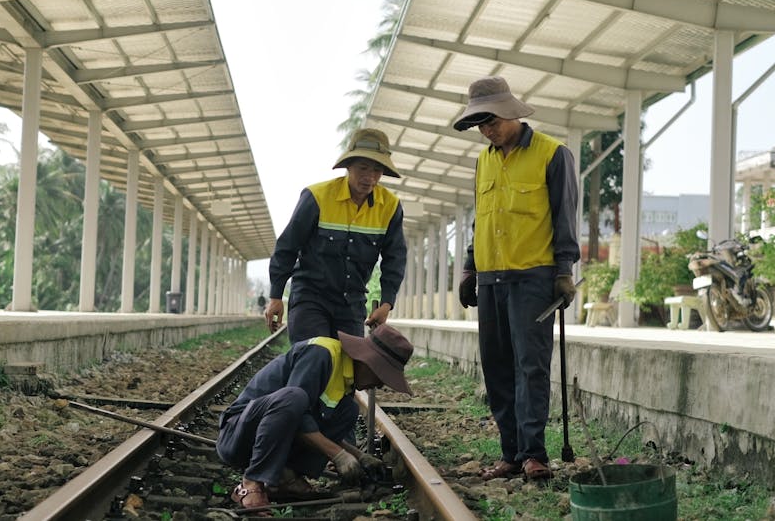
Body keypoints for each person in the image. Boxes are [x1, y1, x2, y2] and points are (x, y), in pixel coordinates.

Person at [453, 76, 579, 481]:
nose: (487, 129)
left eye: (491, 120)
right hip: (491, 280)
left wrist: (564, 271)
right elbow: (480, 219)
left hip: (534, 279)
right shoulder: (484, 160)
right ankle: (510, 453)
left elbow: (564, 217)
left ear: (511, 111)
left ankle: (533, 453)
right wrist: (471, 268)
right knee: (497, 367)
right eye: (480, 123)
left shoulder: (552, 154)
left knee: (531, 367)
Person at [216, 324, 414, 513]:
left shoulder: (345, 377)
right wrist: (338, 455)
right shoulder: (321, 353)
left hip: (269, 440)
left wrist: (359, 456)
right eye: (382, 376)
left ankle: (286, 478)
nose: (379, 385)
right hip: (238, 436)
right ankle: (251, 483)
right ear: (368, 362)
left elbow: (308, 425)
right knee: (294, 397)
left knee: (348, 411)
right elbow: (296, 413)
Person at [265, 128, 407, 342]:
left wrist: (386, 303)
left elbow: (395, 258)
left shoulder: (390, 207)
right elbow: (288, 246)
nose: (369, 177)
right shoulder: (317, 197)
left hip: (352, 304)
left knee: (348, 367)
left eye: (377, 170)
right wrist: (276, 296)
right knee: (312, 359)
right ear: (348, 166)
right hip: (310, 299)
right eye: (363, 168)